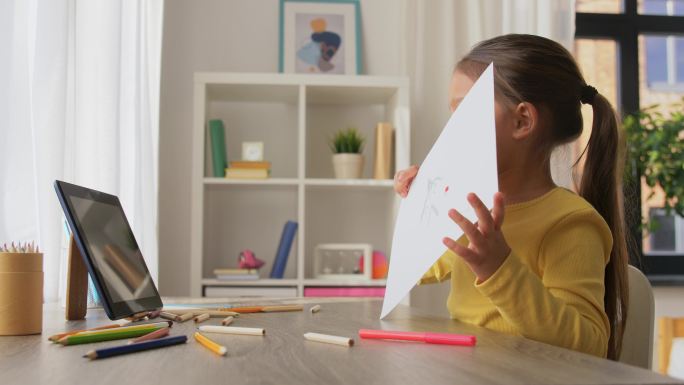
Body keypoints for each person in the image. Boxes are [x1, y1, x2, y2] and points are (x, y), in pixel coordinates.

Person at [394, 34, 629, 359]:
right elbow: (419, 271)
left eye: (463, 113)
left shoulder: (571, 223)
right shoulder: (471, 208)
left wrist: (499, 266)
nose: (450, 131)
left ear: (522, 121)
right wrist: (418, 206)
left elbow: (587, 345)